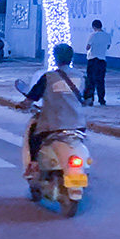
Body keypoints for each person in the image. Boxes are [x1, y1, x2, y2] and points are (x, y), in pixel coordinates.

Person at [19, 43, 86, 173]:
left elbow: (32, 98)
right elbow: (88, 97)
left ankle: (33, 165)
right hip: (77, 124)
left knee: (34, 136)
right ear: (71, 58)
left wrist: (24, 104)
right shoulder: (81, 76)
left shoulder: (48, 77)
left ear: (55, 58)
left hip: (52, 124)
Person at [83, 19, 111, 106]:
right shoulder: (107, 35)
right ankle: (101, 99)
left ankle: (90, 99)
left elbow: (87, 47)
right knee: (101, 81)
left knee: (91, 81)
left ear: (94, 27)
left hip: (92, 59)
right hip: (102, 60)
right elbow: (108, 46)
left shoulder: (93, 35)